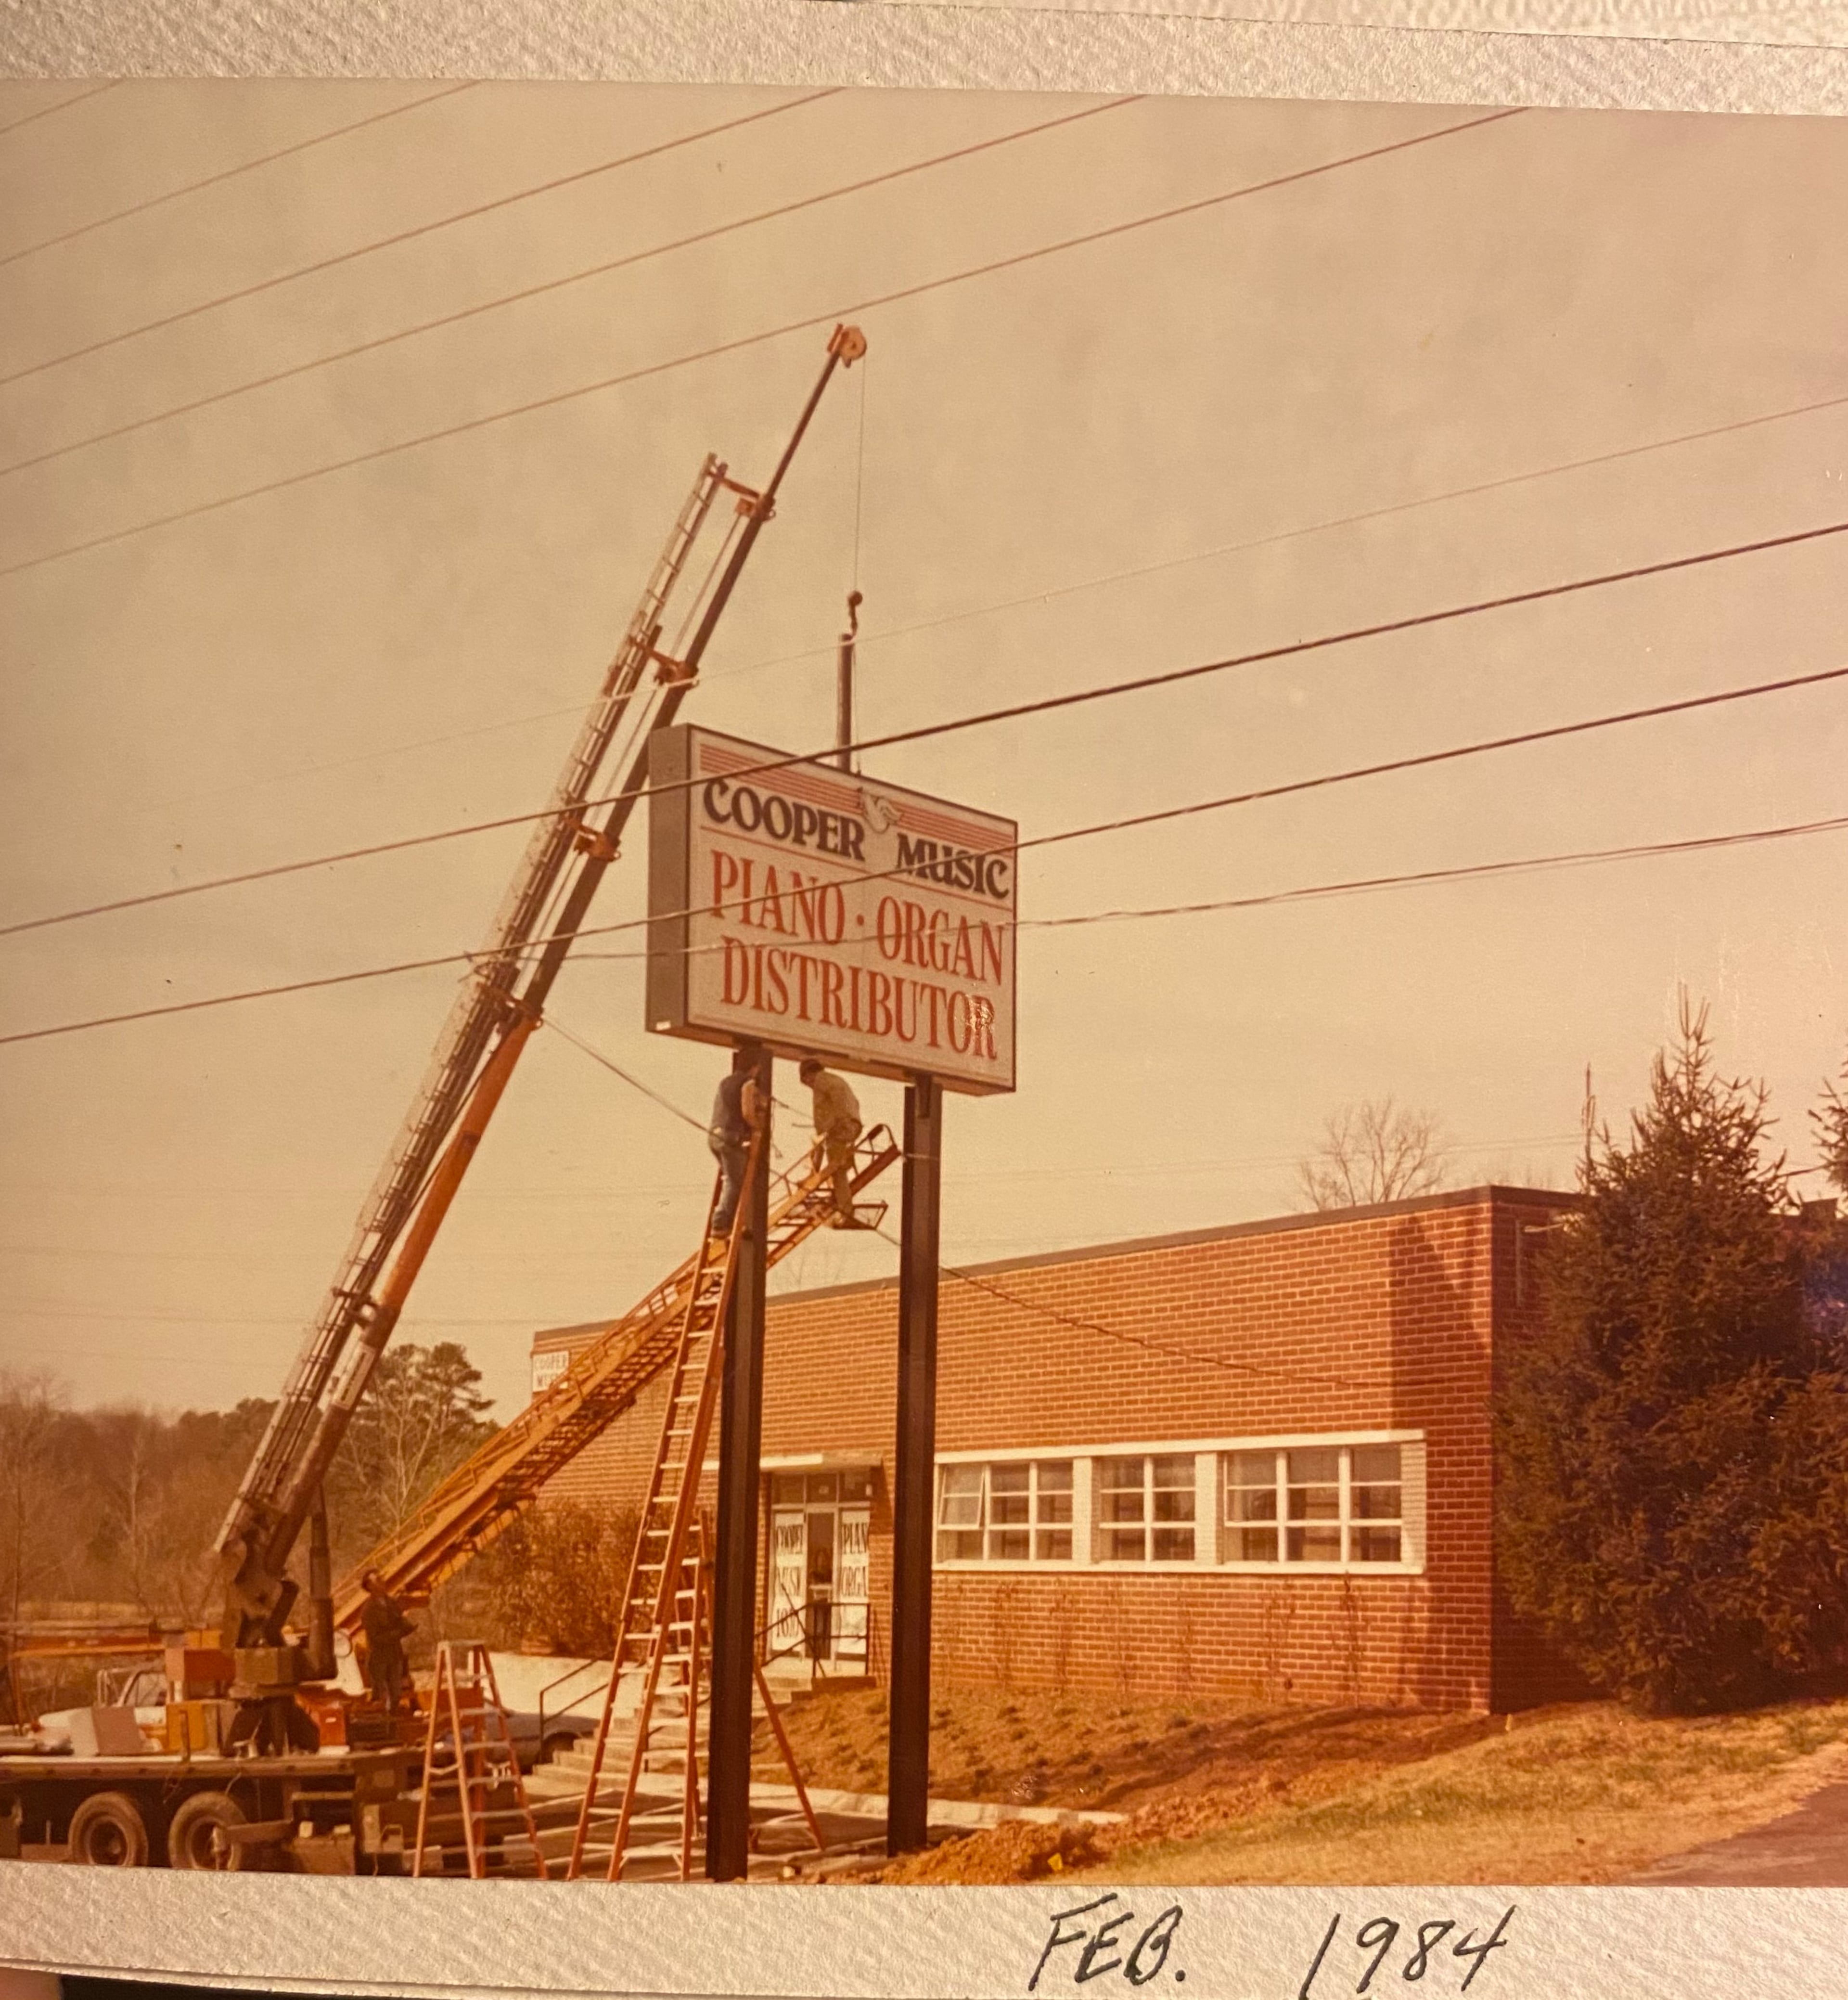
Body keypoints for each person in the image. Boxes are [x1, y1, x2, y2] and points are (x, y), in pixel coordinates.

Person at [798, 1057, 862, 1226]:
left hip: (840, 1129)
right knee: (818, 1143)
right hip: (848, 1127)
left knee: (837, 1170)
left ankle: (846, 1212)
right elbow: (855, 1102)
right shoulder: (836, 1079)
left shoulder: (822, 1081)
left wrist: (840, 1120)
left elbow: (837, 1096)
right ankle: (813, 1174)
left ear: (808, 1075)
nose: (809, 1086)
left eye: (807, 1082)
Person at [709, 1044, 763, 1237]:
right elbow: (748, 1111)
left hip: (714, 1136)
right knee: (735, 1181)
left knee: (730, 1180)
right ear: (755, 1067)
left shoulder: (725, 1082)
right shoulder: (748, 1083)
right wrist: (757, 1127)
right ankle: (720, 1224)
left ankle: (727, 1221)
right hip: (730, 1138)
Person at [359, 1572, 414, 1716]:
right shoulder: (368, 1610)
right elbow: (375, 1637)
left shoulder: (391, 1604)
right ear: (370, 1586)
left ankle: (393, 1723)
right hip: (379, 1658)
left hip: (395, 1655)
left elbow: (400, 1621)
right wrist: (397, 1633)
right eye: (378, 1579)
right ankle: (380, 1725)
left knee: (396, 1694)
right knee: (379, 1696)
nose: (383, 1581)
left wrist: (407, 1627)